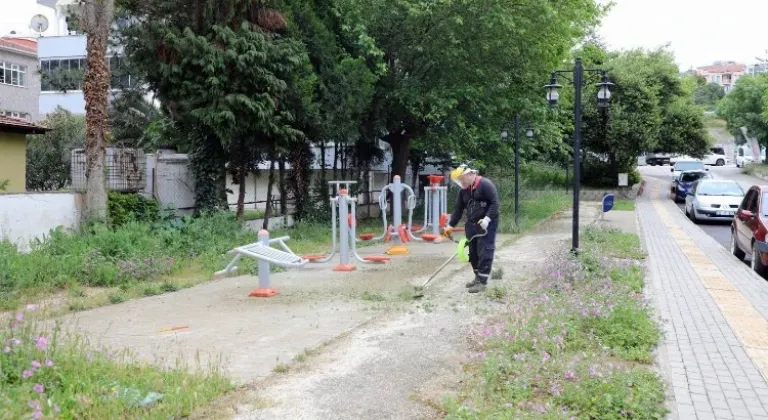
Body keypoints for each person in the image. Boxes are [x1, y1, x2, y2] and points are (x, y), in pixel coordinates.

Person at [443, 164, 500, 293]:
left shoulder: (485, 185)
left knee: (485, 250)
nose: (461, 182)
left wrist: (487, 219)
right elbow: (458, 210)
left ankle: (482, 281)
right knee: (473, 252)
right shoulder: (463, 191)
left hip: (487, 224)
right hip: (472, 224)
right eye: (459, 180)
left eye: (462, 179)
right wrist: (450, 226)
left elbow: (495, 203)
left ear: (470, 174)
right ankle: (477, 277)